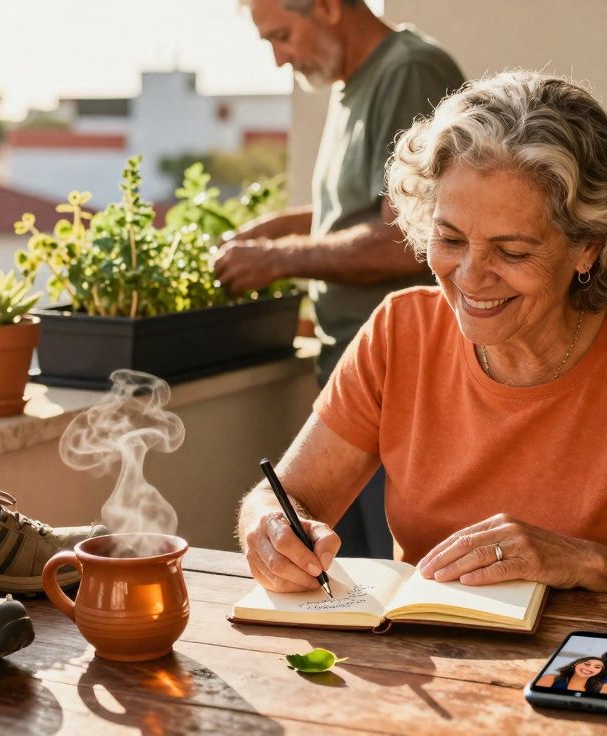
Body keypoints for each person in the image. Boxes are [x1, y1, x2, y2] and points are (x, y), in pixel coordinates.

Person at [234, 70, 607, 607]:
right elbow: (285, 495)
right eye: (449, 238)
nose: (469, 276)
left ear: (589, 246)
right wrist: (273, 528)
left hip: (591, 673)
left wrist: (582, 562)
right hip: (434, 664)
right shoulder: (401, 331)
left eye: (511, 251)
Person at [219, 0, 465, 558]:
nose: (280, 59)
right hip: (348, 379)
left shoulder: (409, 71)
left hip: (403, 384)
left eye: (281, 35)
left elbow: (408, 237)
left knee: (387, 583)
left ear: (328, 7)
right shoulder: (347, 85)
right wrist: (276, 229)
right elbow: (354, 210)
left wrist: (277, 259)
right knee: (334, 574)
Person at [534, 657, 607, 695]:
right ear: (575, 664)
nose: (590, 668)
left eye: (597, 667)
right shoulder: (550, 679)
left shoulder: (605, 688)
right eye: (587, 664)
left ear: (600, 672)